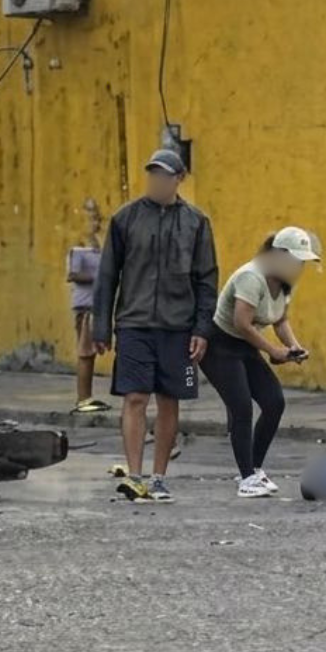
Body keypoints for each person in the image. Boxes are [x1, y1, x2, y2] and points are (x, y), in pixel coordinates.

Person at [92, 149, 218, 503]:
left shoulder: (196, 222)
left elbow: (207, 279)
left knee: (170, 398)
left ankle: (159, 477)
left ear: (179, 179)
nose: (157, 182)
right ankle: (134, 477)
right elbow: (107, 275)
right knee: (134, 397)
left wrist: (202, 329)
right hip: (134, 323)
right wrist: (101, 326)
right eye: (153, 175)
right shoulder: (126, 219)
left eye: (165, 176)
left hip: (179, 327)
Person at [200, 228, 320, 499]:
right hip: (221, 344)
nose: (298, 267)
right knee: (241, 406)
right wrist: (272, 351)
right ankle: (246, 479)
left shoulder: (286, 284)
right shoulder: (251, 277)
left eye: (302, 262)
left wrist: (293, 347)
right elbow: (241, 323)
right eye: (294, 260)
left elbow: (280, 320)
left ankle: (254, 468)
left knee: (274, 401)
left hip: (246, 346)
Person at [68, 198, 109, 414]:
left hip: (96, 305)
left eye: (97, 216)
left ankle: (88, 396)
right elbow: (72, 274)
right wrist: (100, 277)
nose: (96, 221)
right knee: (85, 352)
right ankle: (83, 398)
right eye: (91, 216)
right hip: (84, 306)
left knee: (91, 351)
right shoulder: (79, 247)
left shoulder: (96, 246)